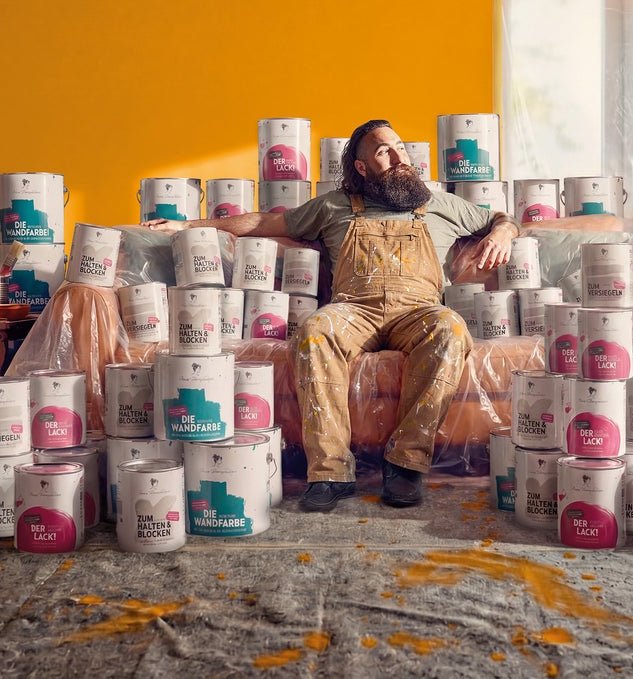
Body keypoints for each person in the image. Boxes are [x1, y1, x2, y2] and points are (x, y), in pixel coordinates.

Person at [146, 119, 519, 512]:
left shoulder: (440, 203)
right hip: (354, 309)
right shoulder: (334, 206)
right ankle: (330, 473)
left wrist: (502, 234)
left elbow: (503, 219)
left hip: (419, 310)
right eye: (383, 152)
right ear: (362, 167)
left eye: (399, 148)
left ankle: (405, 466)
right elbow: (262, 222)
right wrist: (190, 224)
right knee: (313, 331)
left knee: (451, 329)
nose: (398, 157)